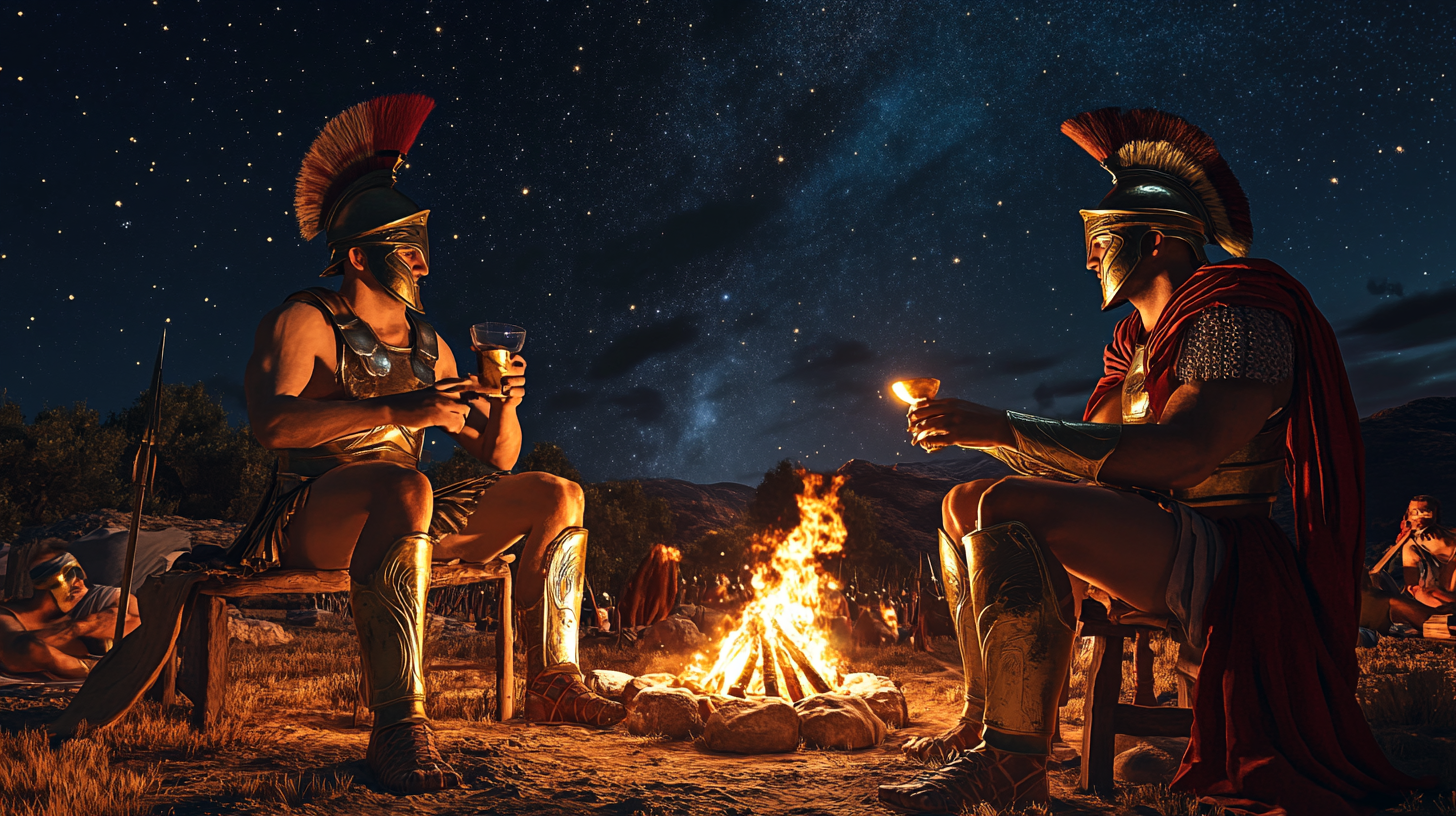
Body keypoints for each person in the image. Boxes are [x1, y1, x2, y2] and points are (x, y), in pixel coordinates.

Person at [877, 108, 1422, 813]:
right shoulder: (1135, 343)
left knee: (1007, 505)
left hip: (1225, 551)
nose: (1088, 258)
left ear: (1157, 241)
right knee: (962, 503)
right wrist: (974, 433)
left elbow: (1182, 456)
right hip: (1148, 535)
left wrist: (998, 421)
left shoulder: (1237, 314)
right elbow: (1087, 460)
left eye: (1099, 239)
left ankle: (1012, 767)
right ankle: (987, 727)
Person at [233, 94, 623, 793]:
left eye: (422, 248)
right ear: (360, 255)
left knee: (558, 495)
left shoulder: (431, 344)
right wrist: (403, 406)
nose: (424, 264)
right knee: (406, 484)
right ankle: (399, 729)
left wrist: (503, 405)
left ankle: (553, 682)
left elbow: (498, 456)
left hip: (406, 511)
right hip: (311, 515)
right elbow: (273, 426)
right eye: (408, 250)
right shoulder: (305, 319)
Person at [0, 549, 139, 680]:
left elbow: (140, 625)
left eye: (79, 574)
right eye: (70, 575)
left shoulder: (102, 598)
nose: (79, 583)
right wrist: (79, 629)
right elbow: (26, 649)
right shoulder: (7, 616)